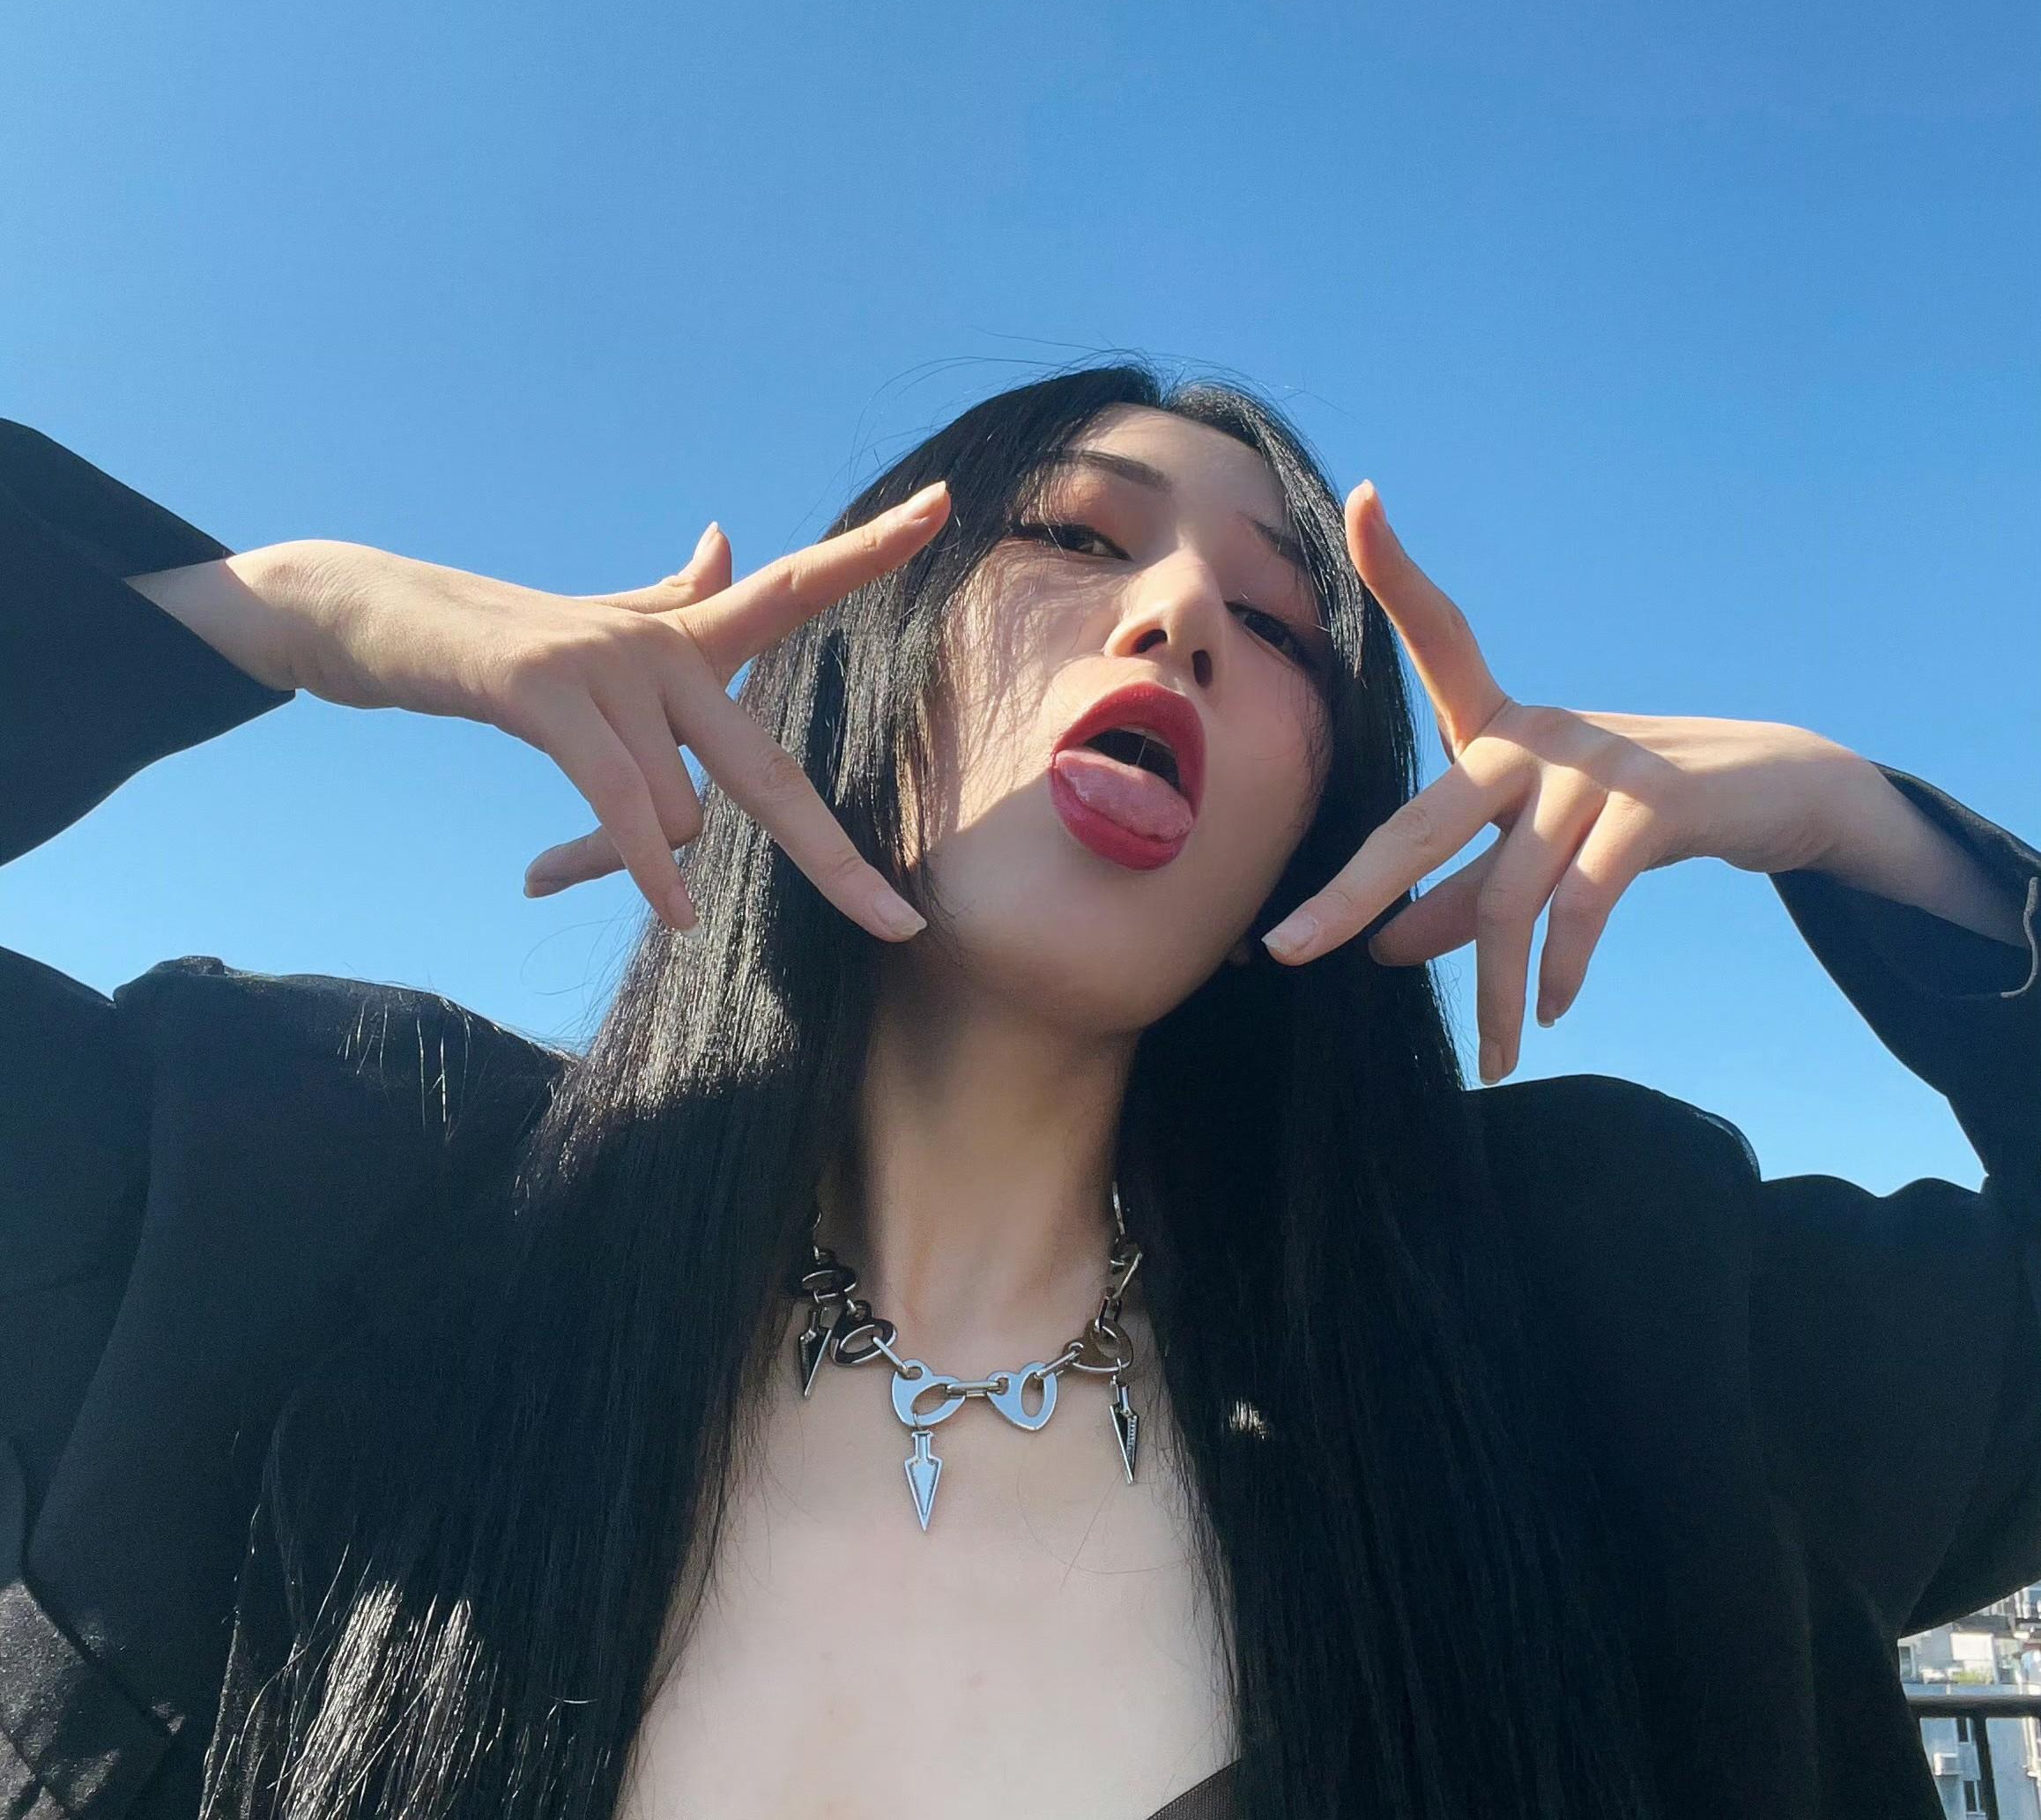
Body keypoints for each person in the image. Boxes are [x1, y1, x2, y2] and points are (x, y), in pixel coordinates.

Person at [1, 364, 2036, 1820]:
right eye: (1070, 536)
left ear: (1314, 830)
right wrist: (276, 613)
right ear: (847, 669)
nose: (1179, 614)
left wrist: (1875, 836)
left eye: (1282, 627)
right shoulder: (274, 1196)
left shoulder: (1622, 1329)